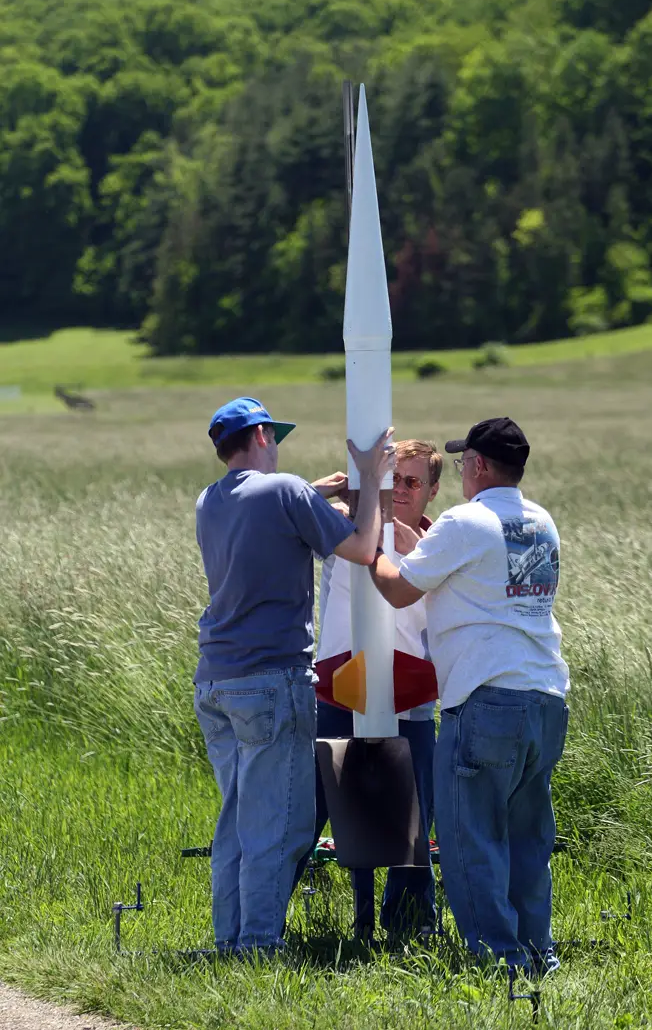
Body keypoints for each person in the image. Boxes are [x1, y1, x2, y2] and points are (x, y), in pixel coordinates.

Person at [193, 396, 394, 956]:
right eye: (273, 436)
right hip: (271, 677)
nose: (277, 446)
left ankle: (229, 938)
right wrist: (371, 485)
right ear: (259, 436)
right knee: (279, 822)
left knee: (237, 815)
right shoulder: (285, 492)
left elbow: (267, 505)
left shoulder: (210, 500)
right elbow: (361, 546)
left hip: (216, 680)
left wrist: (315, 493)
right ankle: (258, 945)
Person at [368, 417, 570, 974]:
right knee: (528, 839)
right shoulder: (540, 521)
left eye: (463, 463)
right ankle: (537, 953)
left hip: (484, 697)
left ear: (478, 465)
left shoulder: (463, 520)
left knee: (469, 838)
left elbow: (398, 587)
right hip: (546, 694)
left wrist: (372, 548)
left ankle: (498, 962)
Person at [295, 440, 442, 938]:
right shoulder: (343, 530)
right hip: (337, 692)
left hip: (411, 698)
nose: (399, 490)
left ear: (433, 491)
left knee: (416, 820)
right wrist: (348, 484)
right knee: (307, 814)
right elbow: (290, 511)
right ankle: (262, 925)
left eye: (411, 482)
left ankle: (411, 927)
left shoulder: (441, 543)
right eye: (390, 479)